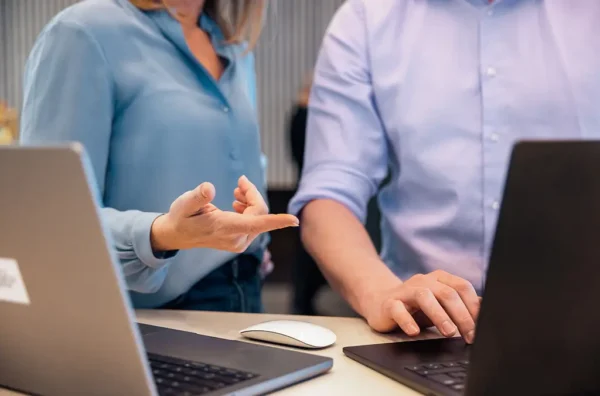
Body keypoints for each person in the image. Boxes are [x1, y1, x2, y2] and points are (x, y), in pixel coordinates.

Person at [289, 0, 600, 343]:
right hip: (426, 332)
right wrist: (381, 293)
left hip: (585, 325)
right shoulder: (369, 16)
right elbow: (329, 195)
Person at [20, 0, 299, 313]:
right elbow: (49, 220)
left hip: (246, 292)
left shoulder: (231, 45)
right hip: (153, 315)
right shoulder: (83, 32)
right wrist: (162, 234)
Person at [287, 74, 327, 315]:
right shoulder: (304, 116)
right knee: (306, 253)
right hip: (307, 188)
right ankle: (302, 303)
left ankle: (304, 301)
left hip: (306, 185)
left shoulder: (302, 115)